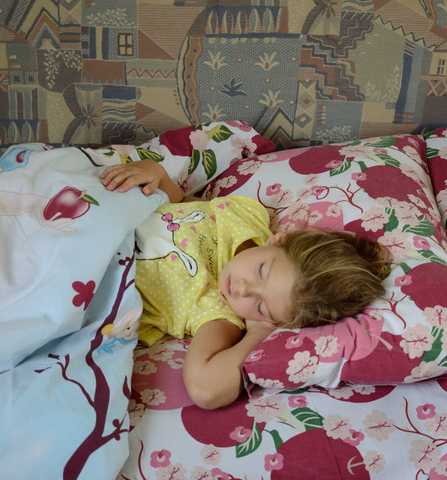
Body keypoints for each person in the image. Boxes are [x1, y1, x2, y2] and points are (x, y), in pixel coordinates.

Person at [101, 160, 390, 409]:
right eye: (261, 271)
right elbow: (178, 202)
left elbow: (206, 390)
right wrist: (157, 174)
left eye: (261, 306)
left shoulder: (219, 315)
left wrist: (258, 332)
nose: (242, 289)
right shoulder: (242, 217)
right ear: (279, 240)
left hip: (93, 280)